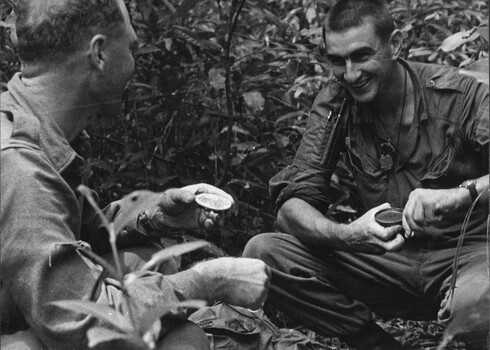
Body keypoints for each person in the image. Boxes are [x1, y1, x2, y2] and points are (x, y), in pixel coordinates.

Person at [0, 0, 270, 349]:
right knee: (183, 341)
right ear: (99, 54)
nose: (134, 63)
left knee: (140, 259)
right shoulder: (20, 164)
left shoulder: (33, 126)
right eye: (131, 49)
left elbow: (64, 232)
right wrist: (209, 279)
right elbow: (77, 322)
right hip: (35, 323)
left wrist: (154, 215)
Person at [243, 0, 489, 349]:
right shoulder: (337, 102)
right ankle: (376, 345)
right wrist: (348, 235)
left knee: (476, 301)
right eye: (337, 61)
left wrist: (458, 195)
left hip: (468, 256)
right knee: (264, 253)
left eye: (361, 56)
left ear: (396, 44)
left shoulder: (460, 94)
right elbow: (290, 206)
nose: (351, 73)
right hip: (388, 261)